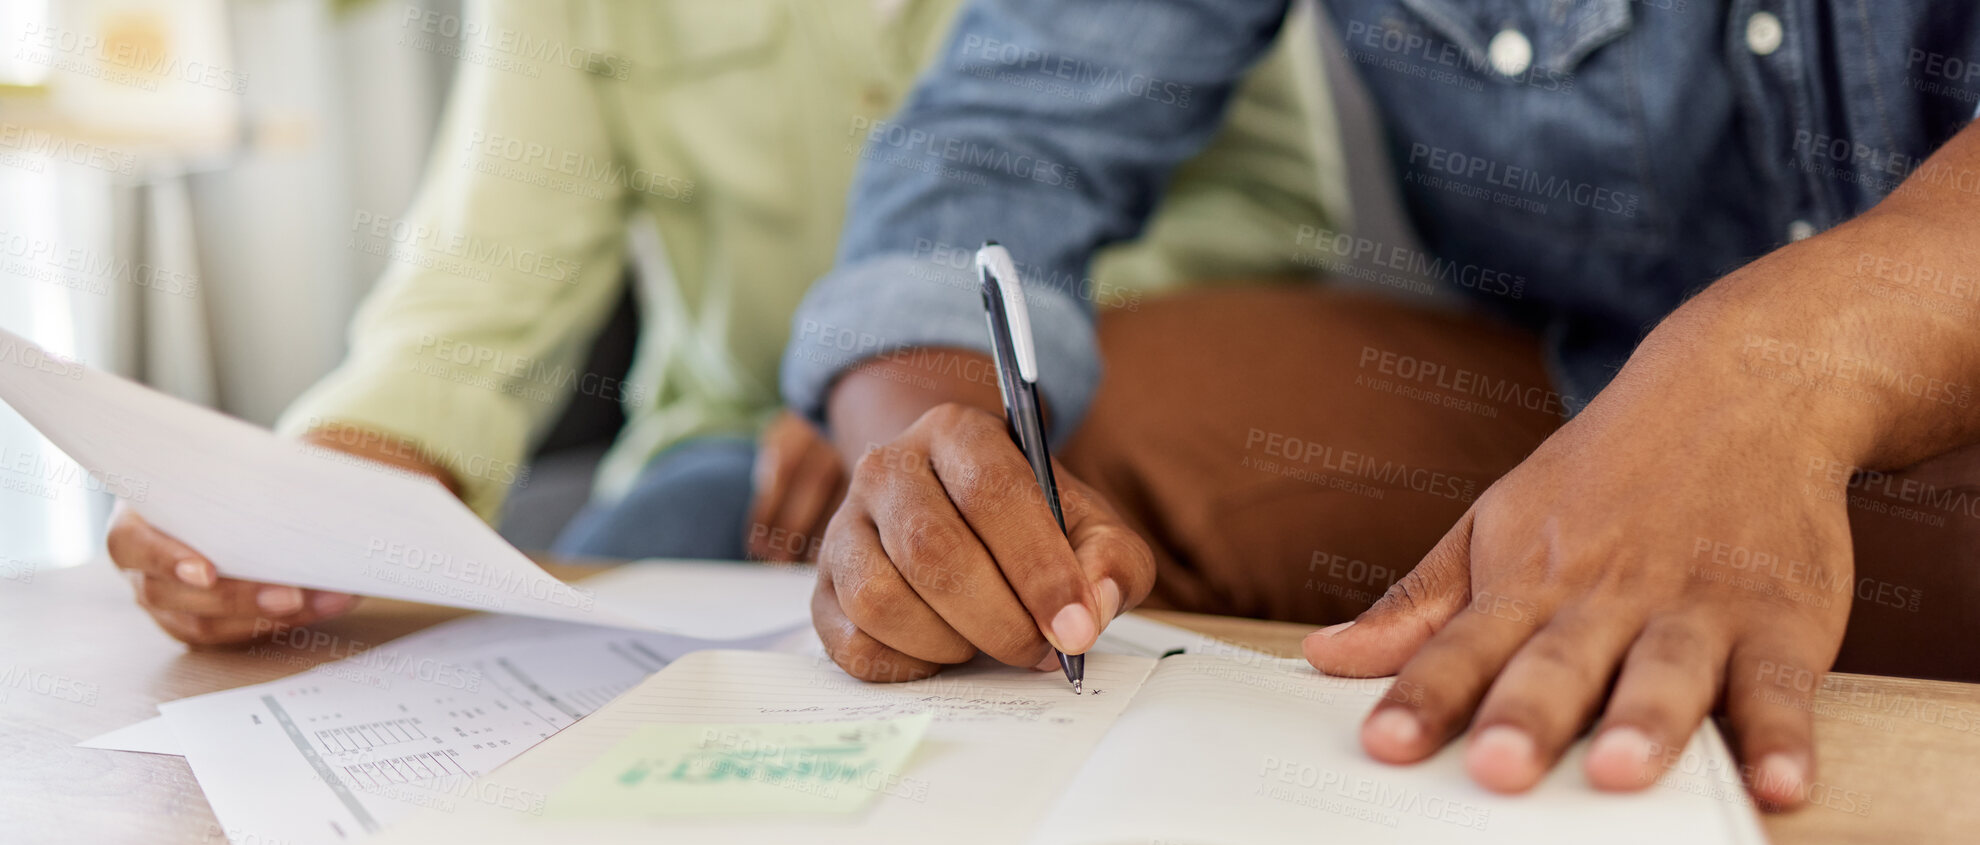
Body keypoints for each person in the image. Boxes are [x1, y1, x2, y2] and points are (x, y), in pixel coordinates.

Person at [784, 0, 1980, 808]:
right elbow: (1006, 129)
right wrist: (924, 460)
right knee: (1131, 424)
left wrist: (1764, 371)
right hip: (1579, 401)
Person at [105, 0, 1338, 646]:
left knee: (1037, 595)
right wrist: (318, 497)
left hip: (1074, 405)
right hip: (728, 460)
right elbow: (479, 285)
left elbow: (1267, 225)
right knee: (610, 626)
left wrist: (898, 385)